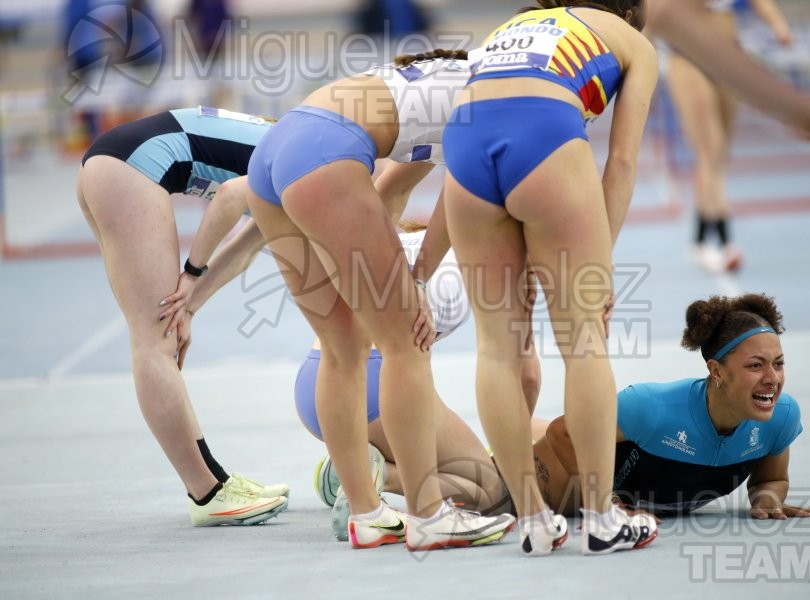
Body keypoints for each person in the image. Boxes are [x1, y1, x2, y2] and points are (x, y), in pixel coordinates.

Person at [644, 1, 810, 597]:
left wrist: (798, 98)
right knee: (709, 149)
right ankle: (715, 231)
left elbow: (670, 12)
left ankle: (713, 226)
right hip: (703, 68)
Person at [245, 49, 516, 551]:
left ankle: (368, 512)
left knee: (342, 346)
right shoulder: (506, 92)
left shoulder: (459, 81)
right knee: (405, 342)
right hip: (324, 152)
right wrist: (415, 279)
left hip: (279, 148)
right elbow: (460, 195)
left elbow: (394, 183)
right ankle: (429, 516)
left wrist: (390, 268)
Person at [442, 0, 660, 556]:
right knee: (583, 338)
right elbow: (624, 162)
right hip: (541, 133)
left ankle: (534, 522)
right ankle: (600, 518)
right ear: (630, 9)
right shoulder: (632, 41)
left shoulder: (512, 25)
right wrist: (598, 269)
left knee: (496, 347)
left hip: (464, 148)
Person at [76, 106, 290, 527]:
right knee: (154, 339)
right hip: (128, 169)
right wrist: (191, 274)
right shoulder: (319, 169)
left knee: (164, 333)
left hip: (117, 163)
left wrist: (189, 302)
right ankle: (207, 493)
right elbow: (230, 198)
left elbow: (248, 245)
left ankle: (214, 480)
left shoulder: (315, 157)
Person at [300, 226, 535, 542]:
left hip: (315, 380)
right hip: (371, 383)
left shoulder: (409, 238)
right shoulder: (495, 268)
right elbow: (527, 377)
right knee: (491, 489)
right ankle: (384, 474)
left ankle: (353, 464)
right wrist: (508, 455)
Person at [532, 293, 810, 521]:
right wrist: (606, 506)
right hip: (529, 487)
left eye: (779, 364)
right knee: (485, 494)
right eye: (756, 366)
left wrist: (767, 498)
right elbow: (562, 432)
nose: (773, 379)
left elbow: (770, 479)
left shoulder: (780, 418)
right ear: (717, 371)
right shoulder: (650, 407)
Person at [661, 0, 793, 273]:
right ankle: (725, 242)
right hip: (688, 58)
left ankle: (699, 240)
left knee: (717, 156)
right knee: (710, 149)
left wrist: (778, 24)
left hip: (729, 55)